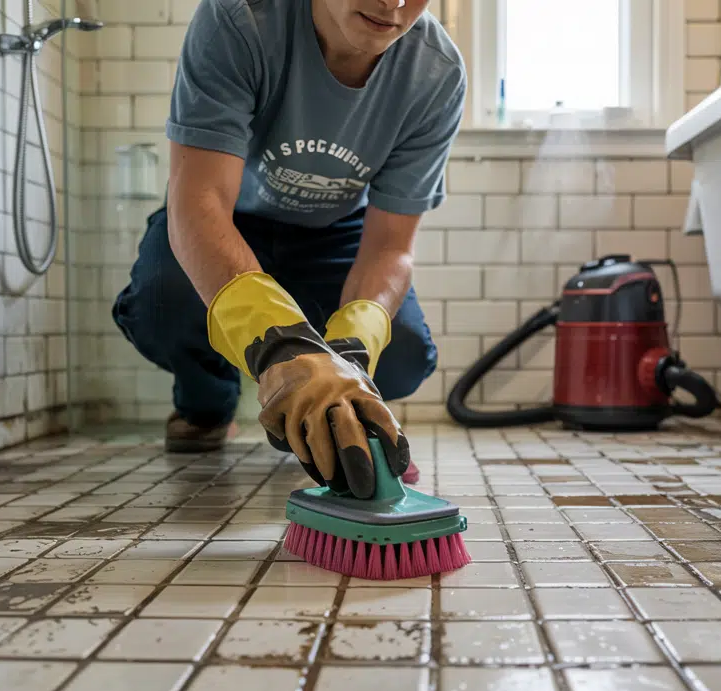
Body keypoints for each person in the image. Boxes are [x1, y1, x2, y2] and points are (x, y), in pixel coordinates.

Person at [110, 0, 465, 498]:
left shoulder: (435, 73)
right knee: (159, 303)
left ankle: (345, 396)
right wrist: (283, 349)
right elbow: (199, 201)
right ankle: (207, 404)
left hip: (337, 233)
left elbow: (390, 247)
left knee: (403, 353)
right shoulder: (240, 18)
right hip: (231, 217)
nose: (395, 2)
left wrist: (348, 360)